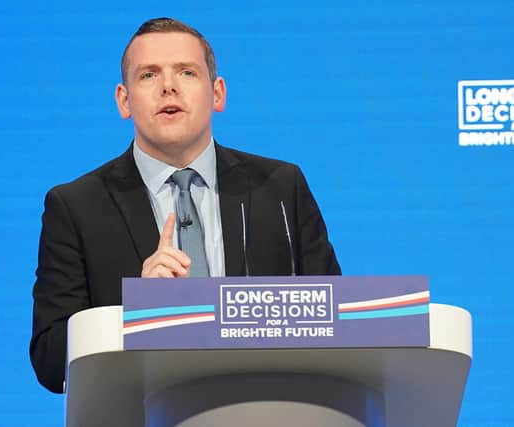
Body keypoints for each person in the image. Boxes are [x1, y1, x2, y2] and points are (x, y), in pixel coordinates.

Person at [29, 17, 340, 393]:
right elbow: (49, 360)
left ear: (217, 93)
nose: (169, 87)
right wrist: (136, 312)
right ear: (124, 100)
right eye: (148, 75)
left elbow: (336, 320)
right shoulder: (77, 206)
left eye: (187, 72)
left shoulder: (279, 188)